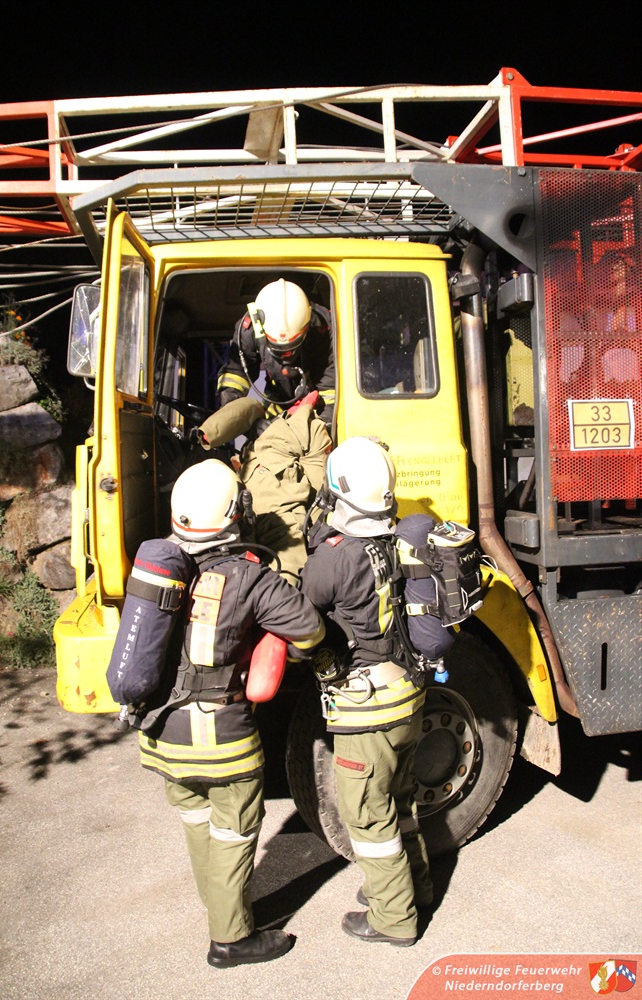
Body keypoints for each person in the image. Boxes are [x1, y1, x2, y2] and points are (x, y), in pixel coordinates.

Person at [128, 460, 325, 968]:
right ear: (237, 514)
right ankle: (231, 939)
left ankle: (219, 907)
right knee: (234, 829)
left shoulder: (160, 567)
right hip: (220, 737)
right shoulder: (251, 577)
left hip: (160, 733)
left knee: (198, 822)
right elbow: (310, 630)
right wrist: (274, 646)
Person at [299, 436, 432, 947]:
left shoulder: (332, 558)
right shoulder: (400, 542)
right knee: (399, 801)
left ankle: (393, 919)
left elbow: (302, 624)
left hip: (367, 709)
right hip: (409, 695)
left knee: (368, 818)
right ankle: (411, 888)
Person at [216, 278, 335, 427]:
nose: (287, 355)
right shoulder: (249, 329)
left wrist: (320, 425)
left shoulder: (326, 329)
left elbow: (331, 392)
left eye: (293, 346)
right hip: (278, 399)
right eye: (278, 349)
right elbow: (235, 374)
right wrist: (235, 416)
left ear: (307, 326)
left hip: (317, 399)